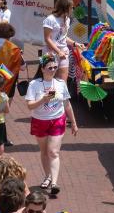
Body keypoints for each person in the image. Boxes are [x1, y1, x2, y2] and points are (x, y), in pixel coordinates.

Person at [25, 54, 78, 195]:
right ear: (42, 68)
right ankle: (47, 176)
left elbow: (67, 104)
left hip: (57, 120)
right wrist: (43, 100)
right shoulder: (34, 85)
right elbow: (30, 106)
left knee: (53, 151)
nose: (53, 70)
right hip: (39, 121)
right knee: (44, 152)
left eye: (55, 67)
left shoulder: (60, 84)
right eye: (50, 67)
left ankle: (54, 183)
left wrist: (73, 122)